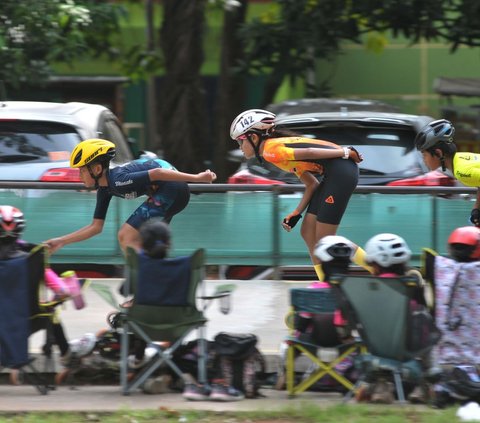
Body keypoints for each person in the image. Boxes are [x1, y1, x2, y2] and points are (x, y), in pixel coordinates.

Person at [229, 109, 372, 281]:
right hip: (336, 173)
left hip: (342, 172)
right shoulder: (275, 152)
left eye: (240, 141)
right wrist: (297, 212)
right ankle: (324, 281)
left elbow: (310, 152)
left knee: (326, 239)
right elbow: (312, 184)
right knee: (307, 231)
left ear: (253, 137)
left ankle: (375, 266)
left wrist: (345, 152)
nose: (240, 147)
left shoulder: (270, 150)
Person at [44, 139, 216, 254]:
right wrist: (62, 241)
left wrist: (197, 178)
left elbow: (157, 172)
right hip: (167, 191)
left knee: (125, 235)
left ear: (96, 169)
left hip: (172, 188)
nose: (79, 176)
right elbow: (95, 227)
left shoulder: (118, 179)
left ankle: (144, 290)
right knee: (149, 246)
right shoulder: (105, 189)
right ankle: (155, 286)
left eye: (82, 170)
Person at [0, 205, 78, 384]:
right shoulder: (32, 259)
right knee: (51, 314)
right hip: (27, 319)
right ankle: (67, 359)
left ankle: (11, 362)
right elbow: (62, 292)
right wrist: (61, 295)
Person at [361, 233, 439, 405]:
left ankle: (382, 386)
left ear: (374, 264)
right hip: (410, 347)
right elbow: (422, 316)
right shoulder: (411, 285)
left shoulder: (368, 289)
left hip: (377, 347)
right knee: (425, 328)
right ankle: (423, 384)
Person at [414, 119, 480, 226]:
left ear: (438, 153)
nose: (424, 161)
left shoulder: (461, 171)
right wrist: (476, 209)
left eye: (424, 155)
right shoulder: (460, 158)